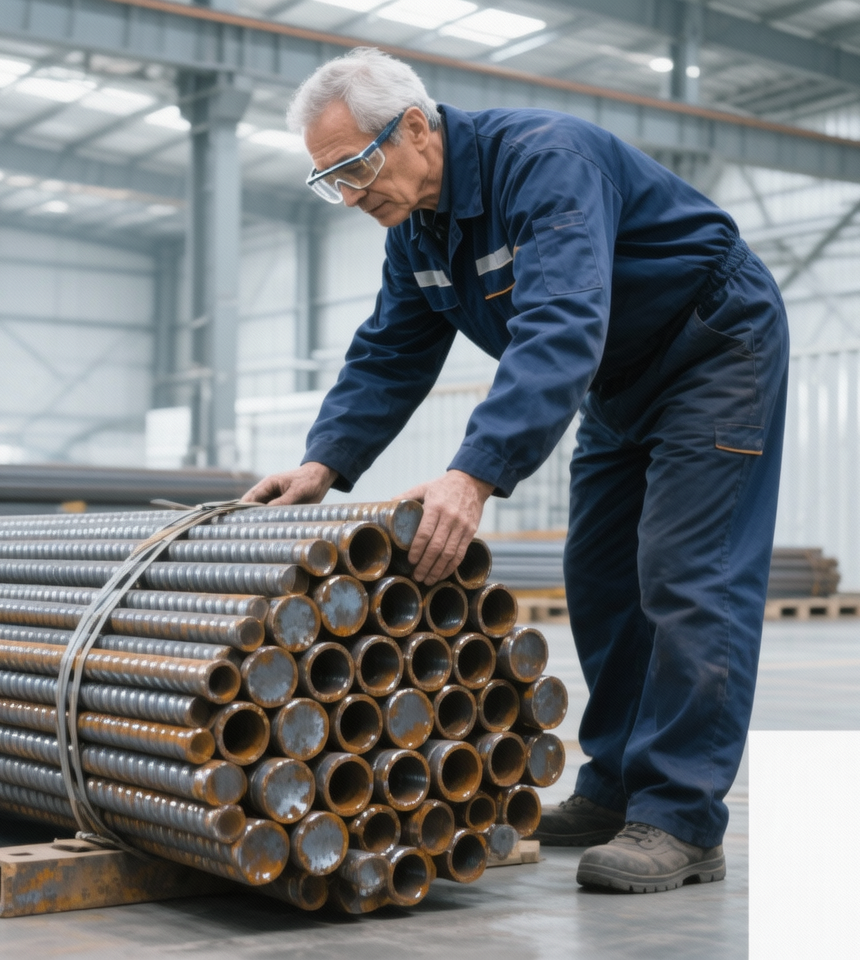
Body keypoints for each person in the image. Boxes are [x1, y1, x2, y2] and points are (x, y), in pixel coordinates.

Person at [242, 47, 788, 894]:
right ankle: (614, 789)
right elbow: (390, 352)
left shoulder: (544, 162)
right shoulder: (413, 229)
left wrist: (474, 475)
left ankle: (683, 817)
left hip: (712, 347)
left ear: (416, 128)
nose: (350, 195)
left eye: (354, 166)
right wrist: (323, 465)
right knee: (601, 576)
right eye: (330, 181)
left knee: (688, 573)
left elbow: (563, 322)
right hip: (619, 376)